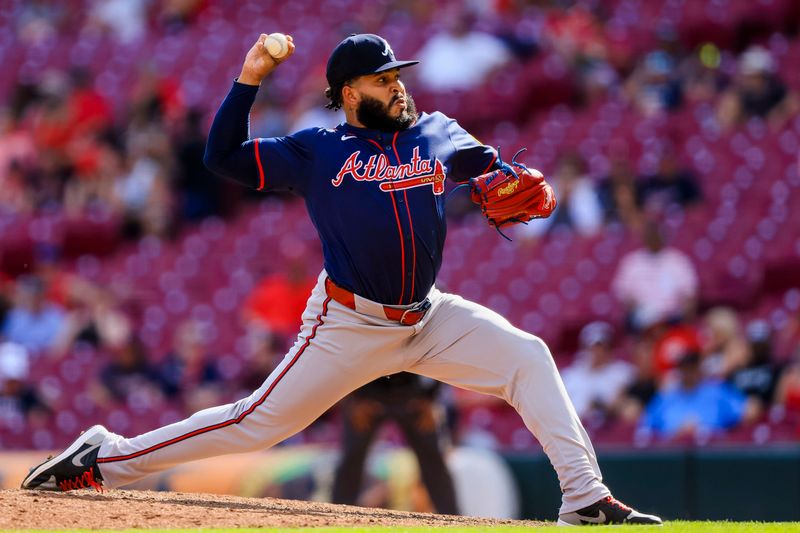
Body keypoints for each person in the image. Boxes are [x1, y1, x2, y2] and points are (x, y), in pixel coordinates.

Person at [21, 33, 661, 526]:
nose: (399, 86)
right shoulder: (317, 149)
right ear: (351, 91)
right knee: (255, 423)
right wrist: (249, 78)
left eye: (399, 76)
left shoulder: (436, 132)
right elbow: (220, 157)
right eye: (385, 79)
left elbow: (500, 177)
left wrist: (530, 191)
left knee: (528, 356)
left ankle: (584, 498)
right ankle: (103, 457)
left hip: (428, 316)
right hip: (348, 322)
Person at [331, 373, 458, 515]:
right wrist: (355, 397)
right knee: (351, 459)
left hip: (414, 393)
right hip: (368, 392)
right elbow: (349, 357)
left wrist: (430, 398)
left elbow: (440, 355)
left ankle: (455, 520)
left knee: (434, 461)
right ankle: (335, 517)